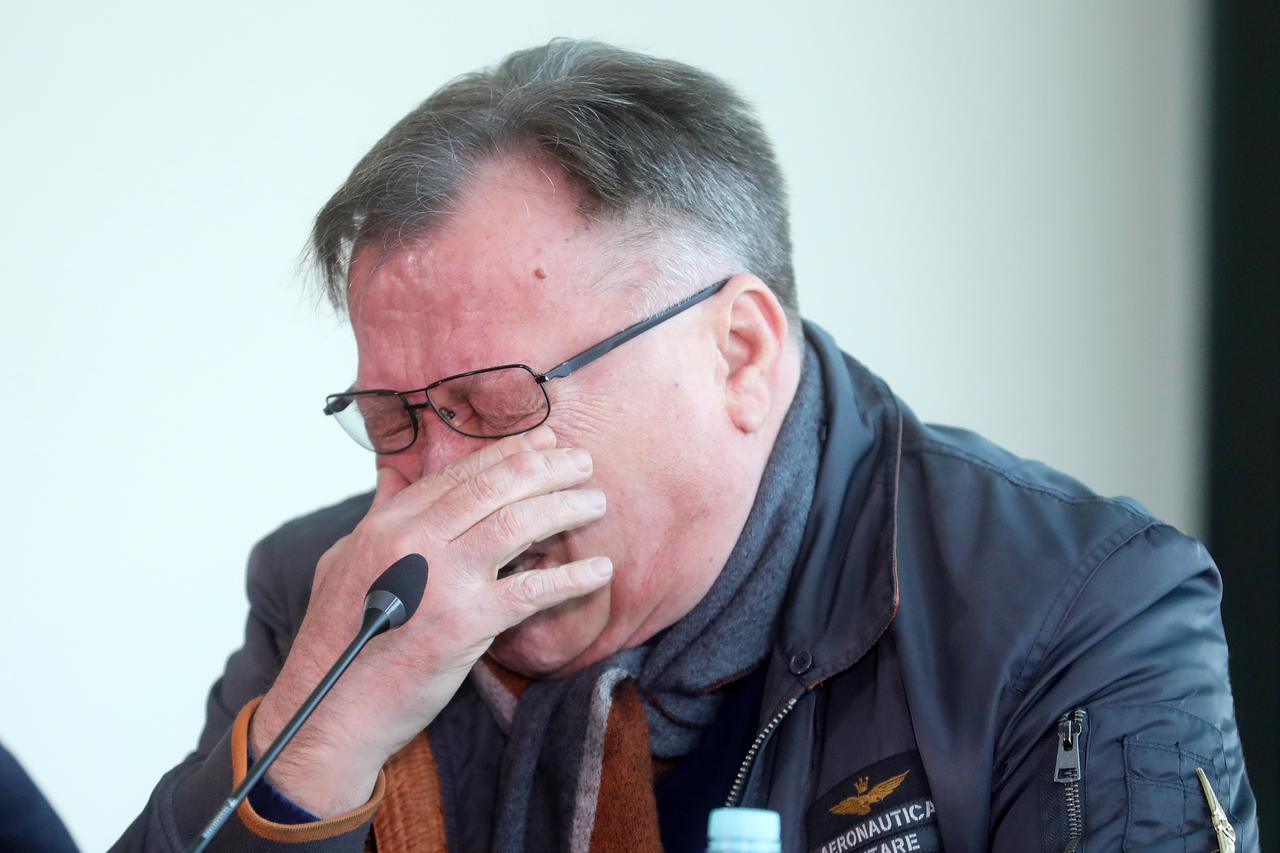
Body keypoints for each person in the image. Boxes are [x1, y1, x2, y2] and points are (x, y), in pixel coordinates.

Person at [112, 39, 1259, 852]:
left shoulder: (1067, 606)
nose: (441, 485)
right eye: (391, 420)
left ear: (738, 353)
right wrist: (311, 746)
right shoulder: (334, 600)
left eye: (495, 403)